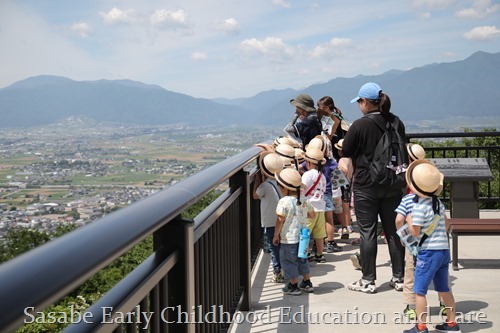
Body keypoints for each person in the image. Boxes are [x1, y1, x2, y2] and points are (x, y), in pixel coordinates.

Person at [343, 82, 406, 293]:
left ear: (364, 102)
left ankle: (368, 280)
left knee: (368, 233)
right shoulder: (397, 122)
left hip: (366, 185)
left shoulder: (360, 125)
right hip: (393, 184)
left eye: (359, 101)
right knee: (393, 232)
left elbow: (346, 150)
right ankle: (399, 278)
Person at [403, 160, 461, 333]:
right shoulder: (438, 204)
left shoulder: (420, 207)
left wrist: (409, 220)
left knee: (419, 291)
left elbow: (414, 232)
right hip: (443, 251)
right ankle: (451, 324)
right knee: (444, 288)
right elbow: (447, 224)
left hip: (428, 253)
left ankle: (421, 327)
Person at [273, 168, 315, 295]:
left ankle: (293, 285)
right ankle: (307, 283)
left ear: (284, 188)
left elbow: (280, 219)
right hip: (303, 236)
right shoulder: (304, 199)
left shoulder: (283, 202)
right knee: (302, 259)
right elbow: (312, 215)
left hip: (288, 238)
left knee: (289, 261)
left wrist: (276, 235)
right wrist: (301, 216)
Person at [253, 151, 284, 283]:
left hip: (270, 221)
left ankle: (277, 272)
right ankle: (285, 268)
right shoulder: (282, 182)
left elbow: (255, 195)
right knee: (281, 245)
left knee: (274, 247)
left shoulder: (265, 186)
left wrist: (257, 181)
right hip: (282, 220)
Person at [301, 148, 328, 262]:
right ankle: (319, 254)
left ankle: (304, 254)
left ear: (309, 162)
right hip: (320, 207)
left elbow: (302, 188)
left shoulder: (307, 175)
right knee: (319, 233)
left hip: (309, 207)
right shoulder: (322, 176)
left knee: (305, 232)